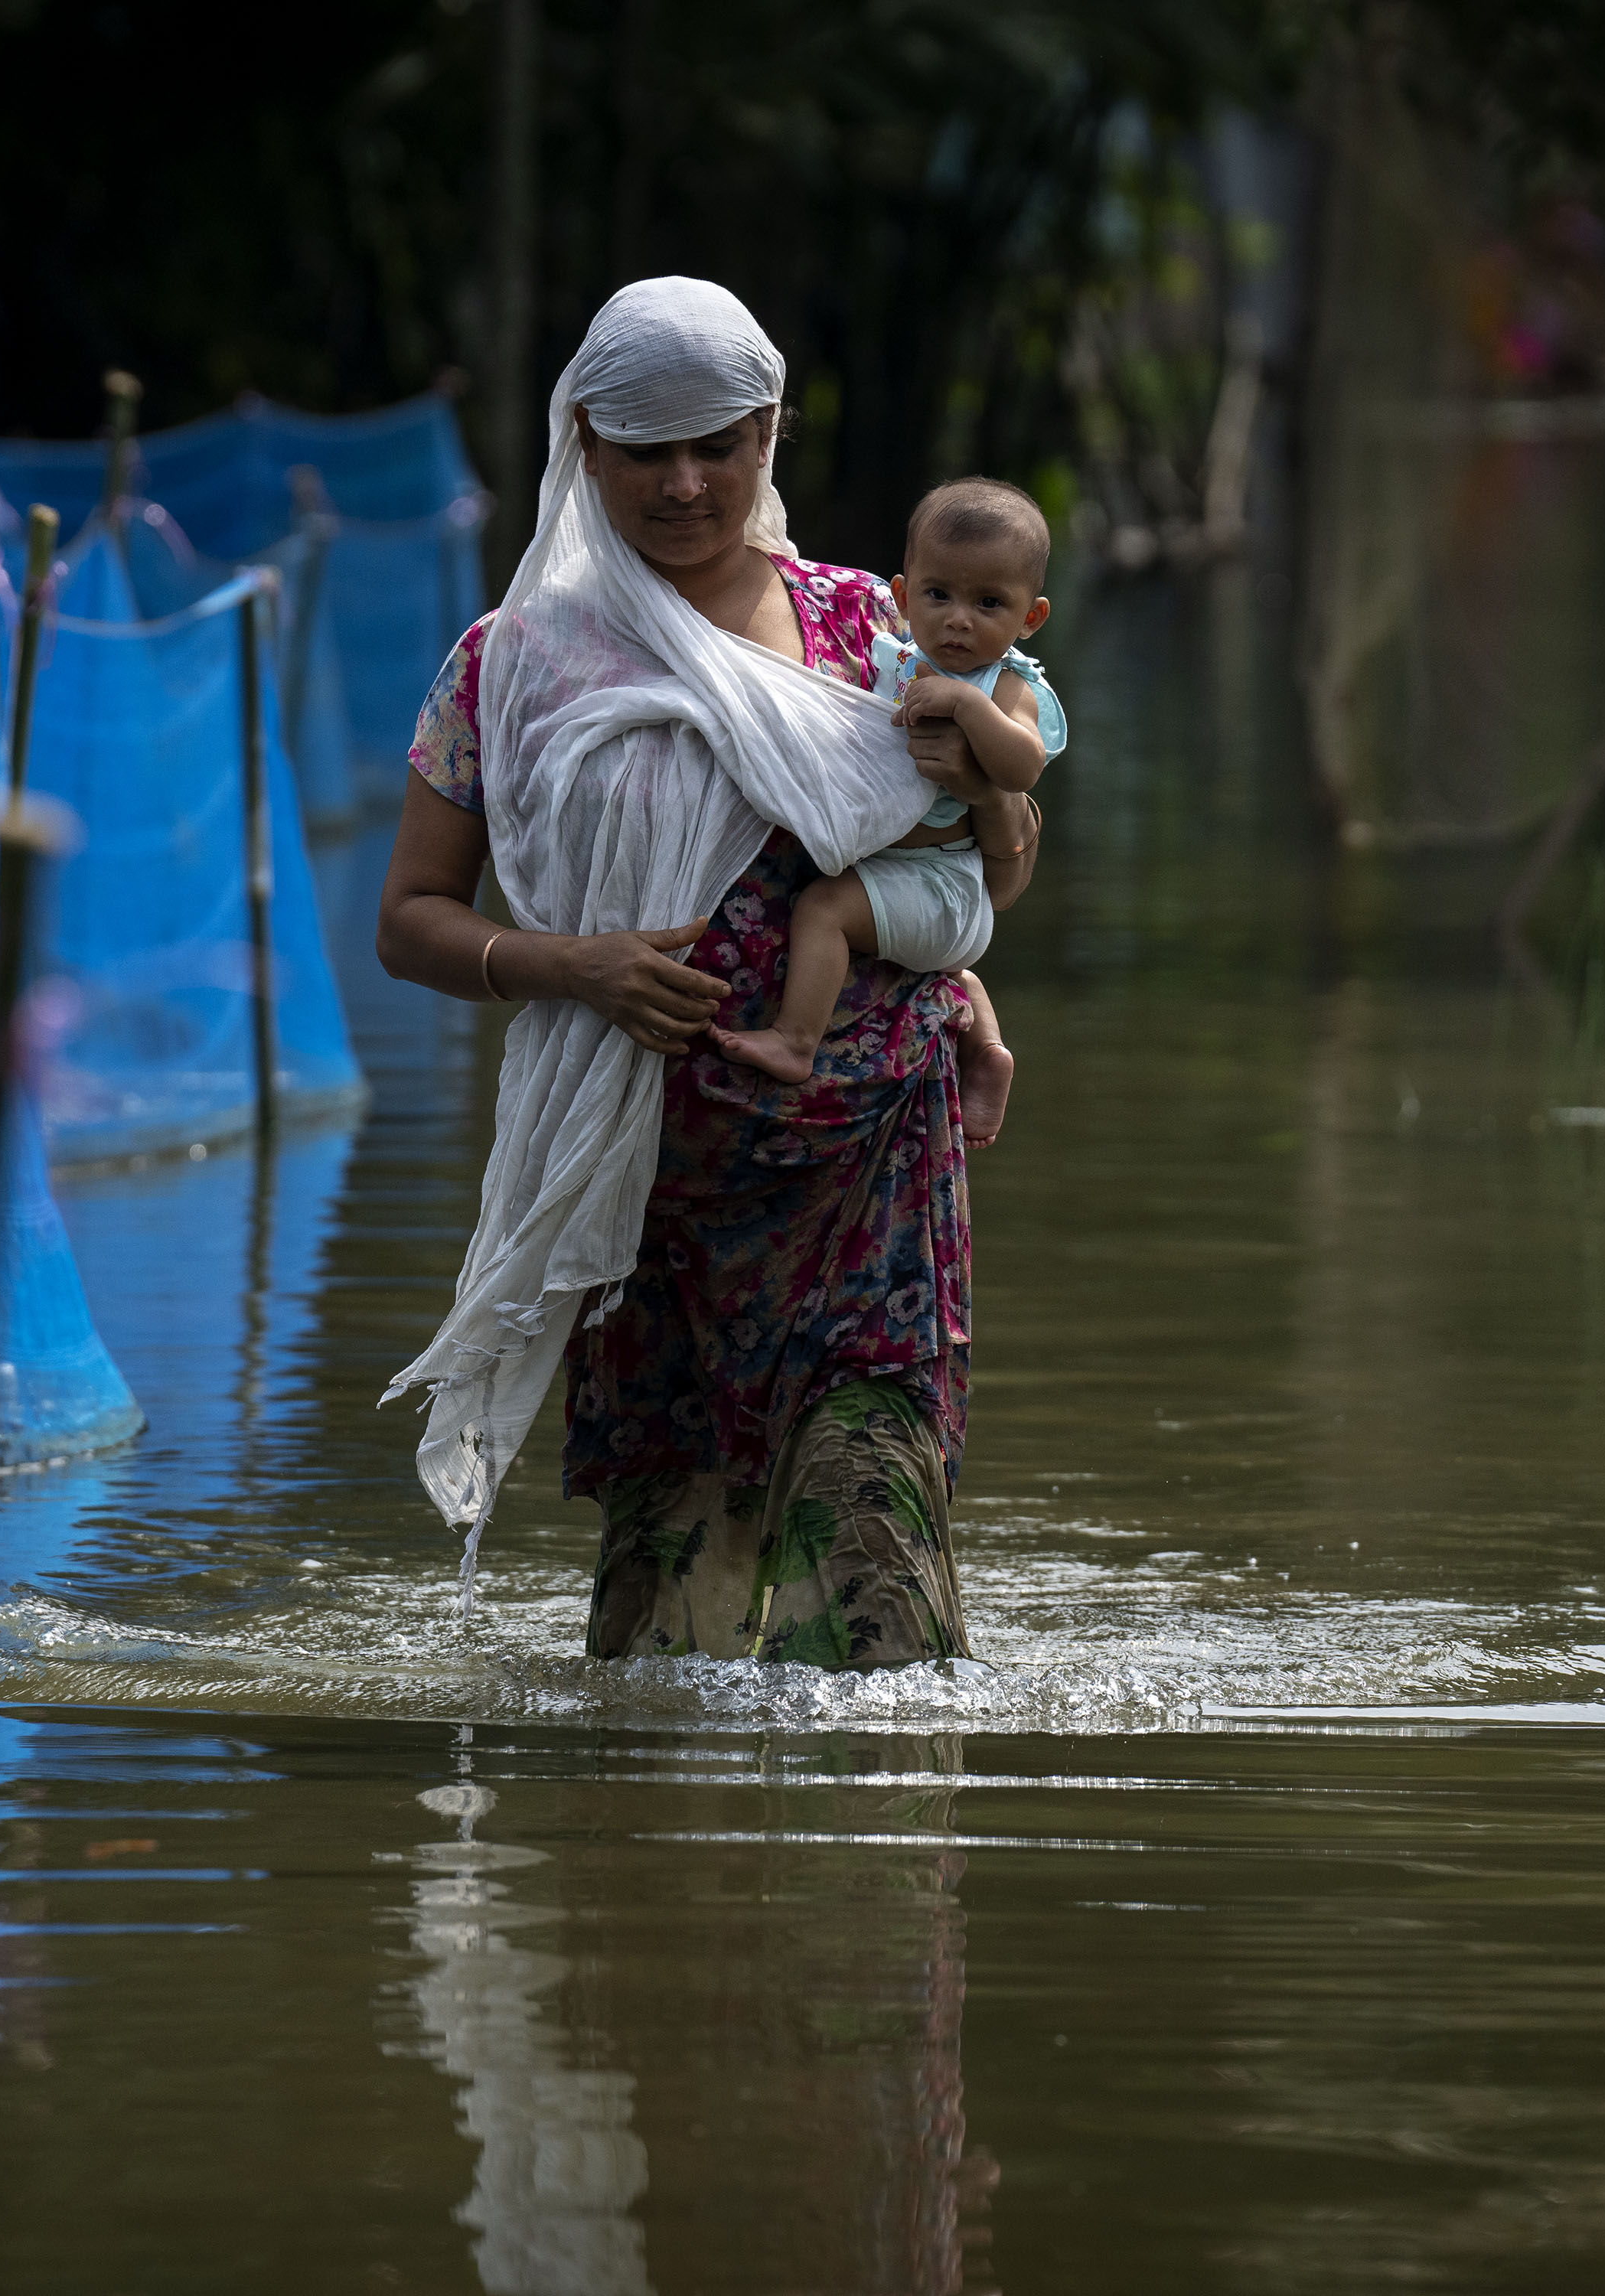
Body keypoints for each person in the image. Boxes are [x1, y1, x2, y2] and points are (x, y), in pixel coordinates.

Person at [377, 277, 1036, 1669]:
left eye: (716, 445)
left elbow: (975, 863)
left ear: (768, 436)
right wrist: (571, 964)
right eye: (641, 449)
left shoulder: (884, 633)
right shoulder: (511, 665)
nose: (682, 483)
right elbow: (413, 918)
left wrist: (968, 989)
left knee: (875, 1620)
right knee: (660, 1659)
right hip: (651, 1208)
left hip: (868, 1170)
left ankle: (880, 1878)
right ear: (584, 450)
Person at [707, 478, 1062, 1150]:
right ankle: (984, 1044)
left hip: (944, 876)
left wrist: (966, 707)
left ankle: (794, 1039)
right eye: (939, 596)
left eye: (989, 603)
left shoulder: (1005, 685)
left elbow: (1023, 769)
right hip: (910, 879)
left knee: (824, 910)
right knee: (936, 956)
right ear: (900, 598)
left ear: (1030, 618)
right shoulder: (890, 659)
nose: (960, 619)